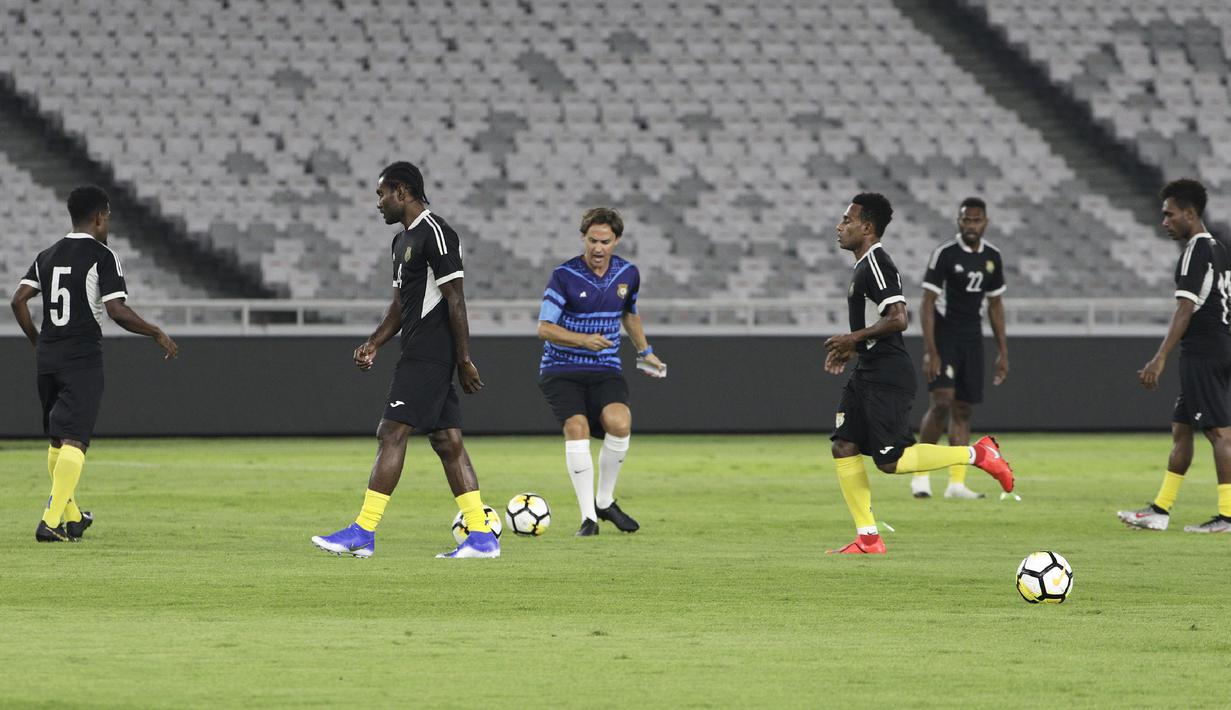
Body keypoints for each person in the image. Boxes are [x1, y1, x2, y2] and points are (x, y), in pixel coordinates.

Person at [311, 162, 498, 559]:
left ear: (402, 191)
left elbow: (456, 298)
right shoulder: (401, 243)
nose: (378, 203)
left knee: (390, 431)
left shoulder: (437, 233)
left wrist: (463, 358)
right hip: (415, 349)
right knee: (448, 441)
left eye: (381, 194)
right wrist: (375, 343)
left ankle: (363, 530)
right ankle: (481, 536)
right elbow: (399, 305)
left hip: (432, 352)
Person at [824, 193, 1014, 555]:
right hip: (868, 369)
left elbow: (899, 317)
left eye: (846, 220)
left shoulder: (877, 264)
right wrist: (853, 348)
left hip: (887, 375)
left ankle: (978, 454)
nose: (839, 225)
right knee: (843, 444)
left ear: (866, 228)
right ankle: (868, 538)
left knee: (890, 461)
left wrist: (854, 338)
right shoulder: (863, 266)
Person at [10, 185, 178, 542]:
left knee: (57, 440)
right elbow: (117, 311)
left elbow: (18, 301)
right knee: (75, 440)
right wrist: (155, 332)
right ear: (100, 217)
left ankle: (72, 517)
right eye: (108, 217)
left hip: (48, 358)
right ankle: (50, 522)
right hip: (80, 358)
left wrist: (39, 342)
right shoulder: (102, 255)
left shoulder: (47, 255)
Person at [536, 207, 666, 536]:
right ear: (583, 238)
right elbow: (545, 328)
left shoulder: (628, 274)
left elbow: (630, 315)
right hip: (561, 368)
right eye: (592, 240)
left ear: (616, 240)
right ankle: (588, 518)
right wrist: (583, 340)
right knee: (577, 427)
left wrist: (646, 352)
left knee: (620, 422)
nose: (597, 248)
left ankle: (604, 501)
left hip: (604, 367)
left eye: (605, 241)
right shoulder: (564, 275)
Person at [1120, 178, 1231, 534]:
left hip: (1203, 351)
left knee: (1219, 433)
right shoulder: (1219, 249)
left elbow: (1186, 308)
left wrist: (1159, 358)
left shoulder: (1195, 252)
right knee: (1182, 428)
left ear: (1190, 213)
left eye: (1169, 215)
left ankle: (1228, 516)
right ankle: (1160, 510)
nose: (1164, 222)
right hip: (1217, 346)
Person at [911, 197, 1009, 499]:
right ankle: (920, 475)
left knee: (964, 409)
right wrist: (931, 350)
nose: (971, 225)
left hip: (972, 338)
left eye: (976, 220)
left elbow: (995, 305)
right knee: (941, 402)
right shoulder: (944, 254)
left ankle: (956, 483)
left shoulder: (993, 256)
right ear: (958, 221)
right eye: (966, 220)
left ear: (985, 223)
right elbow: (926, 303)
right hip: (944, 336)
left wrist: (1003, 351)